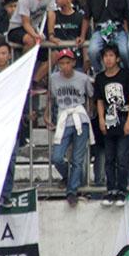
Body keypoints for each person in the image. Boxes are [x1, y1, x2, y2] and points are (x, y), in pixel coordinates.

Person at [47, 48, 93, 206]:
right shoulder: (54, 78)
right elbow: (50, 97)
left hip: (80, 117)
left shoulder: (83, 78)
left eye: (68, 63)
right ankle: (69, 177)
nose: (65, 66)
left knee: (77, 159)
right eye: (62, 63)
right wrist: (47, 113)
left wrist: (91, 114)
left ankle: (72, 191)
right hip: (63, 118)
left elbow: (91, 96)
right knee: (57, 157)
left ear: (73, 63)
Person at [94, 43, 129, 206]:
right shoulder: (100, 78)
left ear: (118, 58)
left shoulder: (126, 74)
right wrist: (101, 119)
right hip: (109, 120)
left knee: (122, 158)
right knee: (109, 158)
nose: (108, 59)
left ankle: (121, 190)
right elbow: (99, 100)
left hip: (124, 117)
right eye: (105, 56)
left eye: (111, 55)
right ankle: (111, 189)